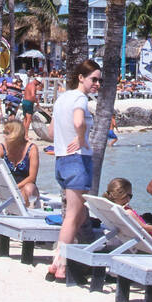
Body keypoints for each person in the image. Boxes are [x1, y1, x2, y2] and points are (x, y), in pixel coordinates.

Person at [45, 59, 101, 281]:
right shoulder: (79, 98)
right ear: (81, 78)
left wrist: (66, 139)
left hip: (61, 161)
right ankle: (59, 264)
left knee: (78, 214)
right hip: (77, 160)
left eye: (99, 80)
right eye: (93, 79)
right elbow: (79, 122)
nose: (96, 83)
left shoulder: (61, 99)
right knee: (72, 216)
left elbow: (50, 132)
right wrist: (80, 138)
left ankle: (66, 259)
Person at [0, 119, 40, 207]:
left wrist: (15, 187)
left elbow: (32, 177)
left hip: (24, 185)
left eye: (6, 133)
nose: (3, 135)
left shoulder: (32, 148)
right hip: (6, 186)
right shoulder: (1, 148)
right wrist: (7, 188)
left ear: (15, 134)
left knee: (29, 188)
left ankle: (26, 217)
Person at [21, 72, 41, 138]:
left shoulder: (28, 84)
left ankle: (23, 134)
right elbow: (32, 95)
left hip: (24, 101)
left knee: (25, 118)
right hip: (29, 102)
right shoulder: (33, 86)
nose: (38, 85)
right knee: (29, 119)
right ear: (37, 81)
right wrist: (37, 102)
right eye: (39, 83)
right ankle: (26, 135)